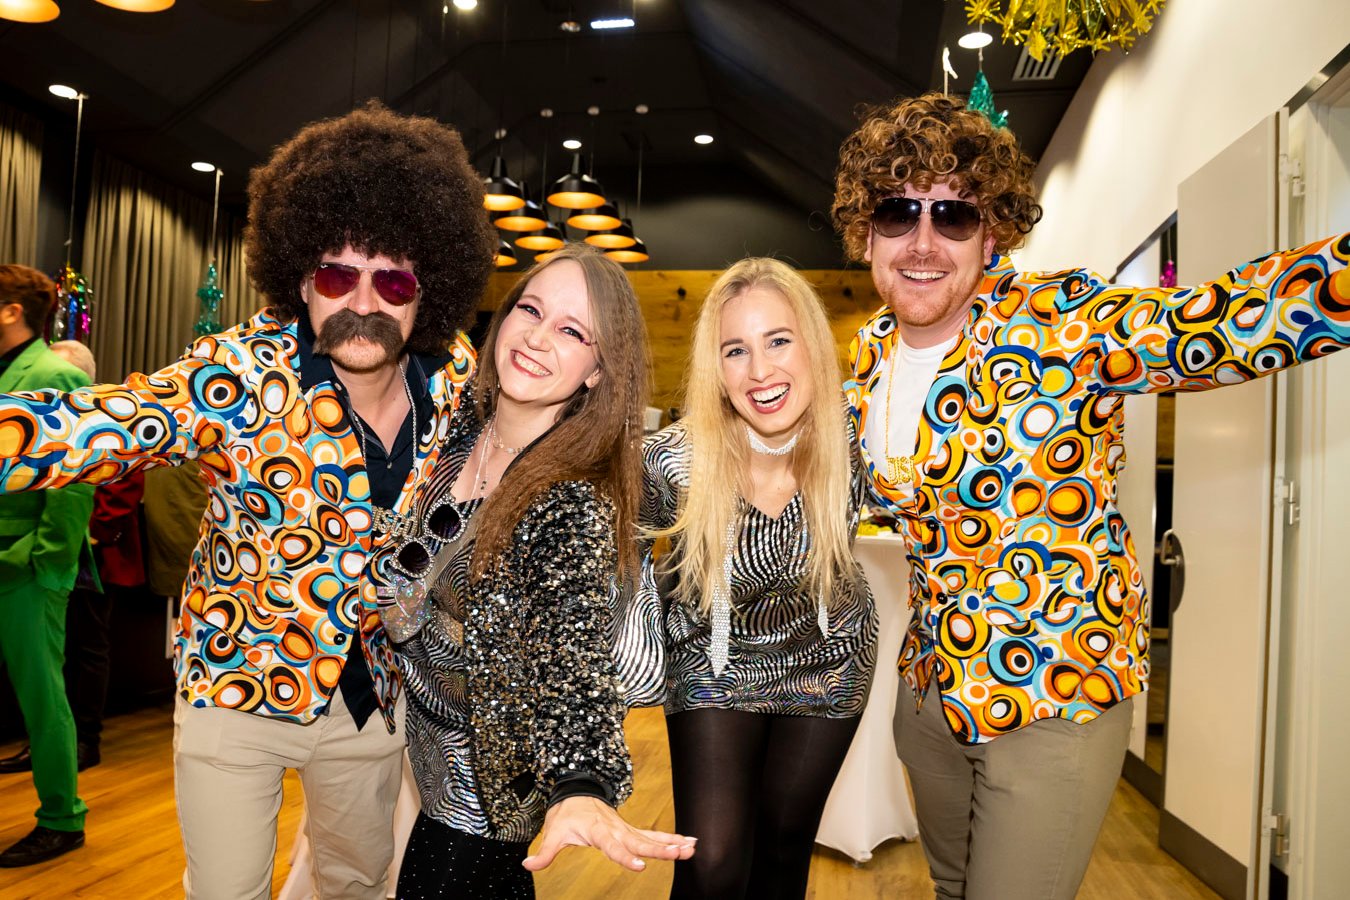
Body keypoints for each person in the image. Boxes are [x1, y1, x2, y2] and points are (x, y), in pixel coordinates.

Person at [830, 91, 1350, 899]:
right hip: (928, 698)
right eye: (899, 213)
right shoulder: (868, 355)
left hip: (1055, 692)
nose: (924, 242)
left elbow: (1225, 322)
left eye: (954, 216)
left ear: (992, 234)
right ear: (868, 233)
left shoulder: (1063, 321)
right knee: (951, 891)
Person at [0, 102, 497, 898]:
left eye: (393, 280)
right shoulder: (240, 371)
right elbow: (102, 423)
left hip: (369, 699)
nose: (363, 302)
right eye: (337, 275)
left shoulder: (455, 382)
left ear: (425, 292)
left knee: (357, 883)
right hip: (236, 684)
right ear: (301, 279)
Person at [373, 243, 695, 897]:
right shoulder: (458, 427)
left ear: (599, 370)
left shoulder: (572, 500)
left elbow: (573, 651)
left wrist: (580, 784)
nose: (539, 337)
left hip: (484, 788)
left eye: (573, 332)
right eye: (531, 310)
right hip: (422, 750)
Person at [614, 258, 877, 899]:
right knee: (711, 863)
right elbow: (616, 556)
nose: (759, 371)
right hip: (712, 665)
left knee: (784, 851)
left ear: (812, 343)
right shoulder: (674, 458)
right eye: (736, 350)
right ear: (716, 366)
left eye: (778, 340)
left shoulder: (857, 437)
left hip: (831, 659)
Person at [0, 340, 146, 777]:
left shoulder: (107, 415)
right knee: (51, 657)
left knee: (87, 647)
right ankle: (47, 744)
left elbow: (124, 482)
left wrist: (94, 535)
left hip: (95, 553)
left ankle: (85, 740)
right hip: (58, 545)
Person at [0, 266, 94, 867]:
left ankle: (62, 817)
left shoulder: (55, 374)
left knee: (42, 698)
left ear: (12, 311)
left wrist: (47, 561)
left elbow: (75, 480)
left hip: (27, 566)